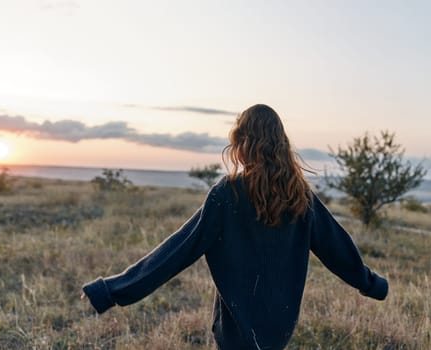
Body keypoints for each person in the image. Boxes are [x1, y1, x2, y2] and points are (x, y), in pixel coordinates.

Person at [81, 104, 388, 350]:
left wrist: (110, 291)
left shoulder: (227, 195)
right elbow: (339, 251)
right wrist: (372, 284)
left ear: (243, 143)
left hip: (235, 330)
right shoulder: (300, 196)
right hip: (279, 328)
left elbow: (176, 252)